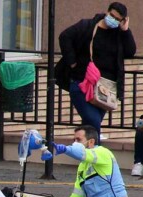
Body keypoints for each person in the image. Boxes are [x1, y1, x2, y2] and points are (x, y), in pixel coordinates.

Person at [58, 2, 136, 137]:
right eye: (112, 16)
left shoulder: (118, 33)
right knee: (93, 121)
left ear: (123, 20)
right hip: (82, 82)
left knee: (90, 127)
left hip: (104, 88)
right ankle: (96, 150)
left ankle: (84, 148)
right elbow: (65, 37)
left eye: (117, 19)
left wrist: (125, 31)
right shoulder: (87, 26)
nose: (113, 20)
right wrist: (72, 62)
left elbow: (130, 52)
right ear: (107, 12)